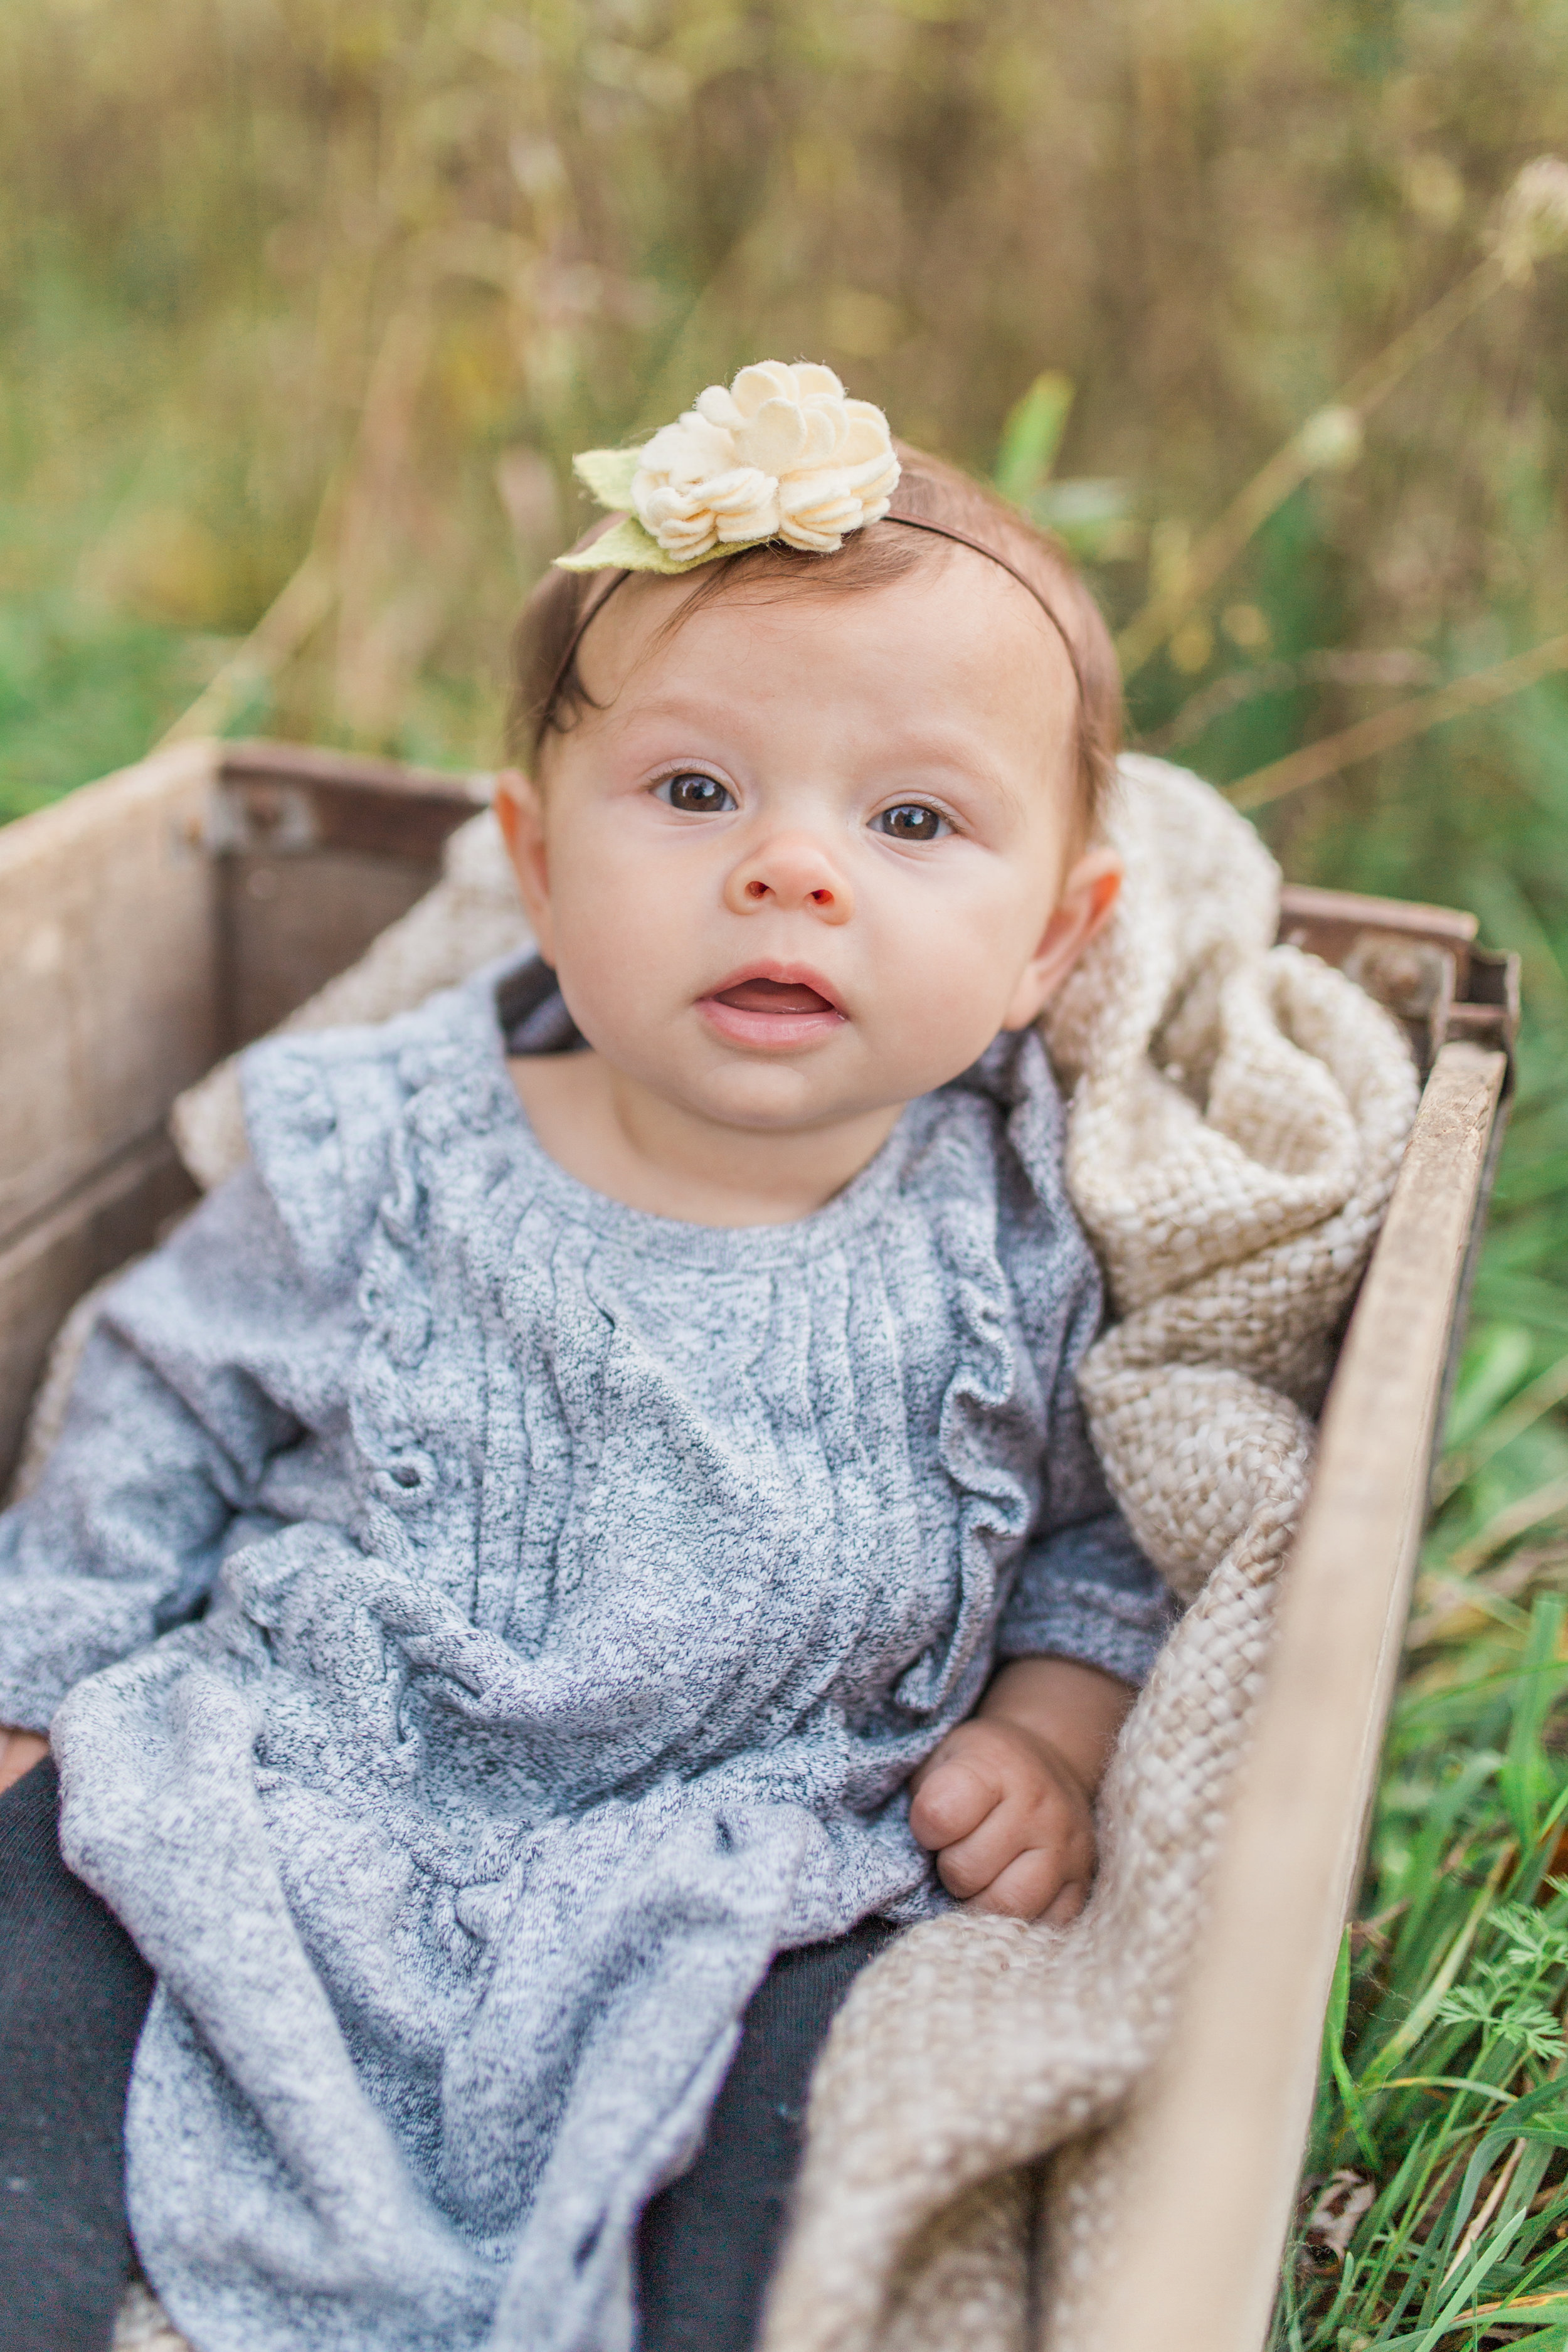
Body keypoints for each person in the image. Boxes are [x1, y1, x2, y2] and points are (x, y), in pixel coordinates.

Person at [0, 363, 1177, 2352]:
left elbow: (1097, 1532)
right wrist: (44, 1675)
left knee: (806, 2152)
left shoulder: (1014, 1230)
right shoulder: (377, 1142)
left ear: (1050, 945)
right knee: (40, 1954)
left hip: (755, 1869)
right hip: (288, 1778)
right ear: (535, 864)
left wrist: (1047, 1735)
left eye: (907, 819)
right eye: (696, 792)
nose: (788, 867)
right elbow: (157, 1388)